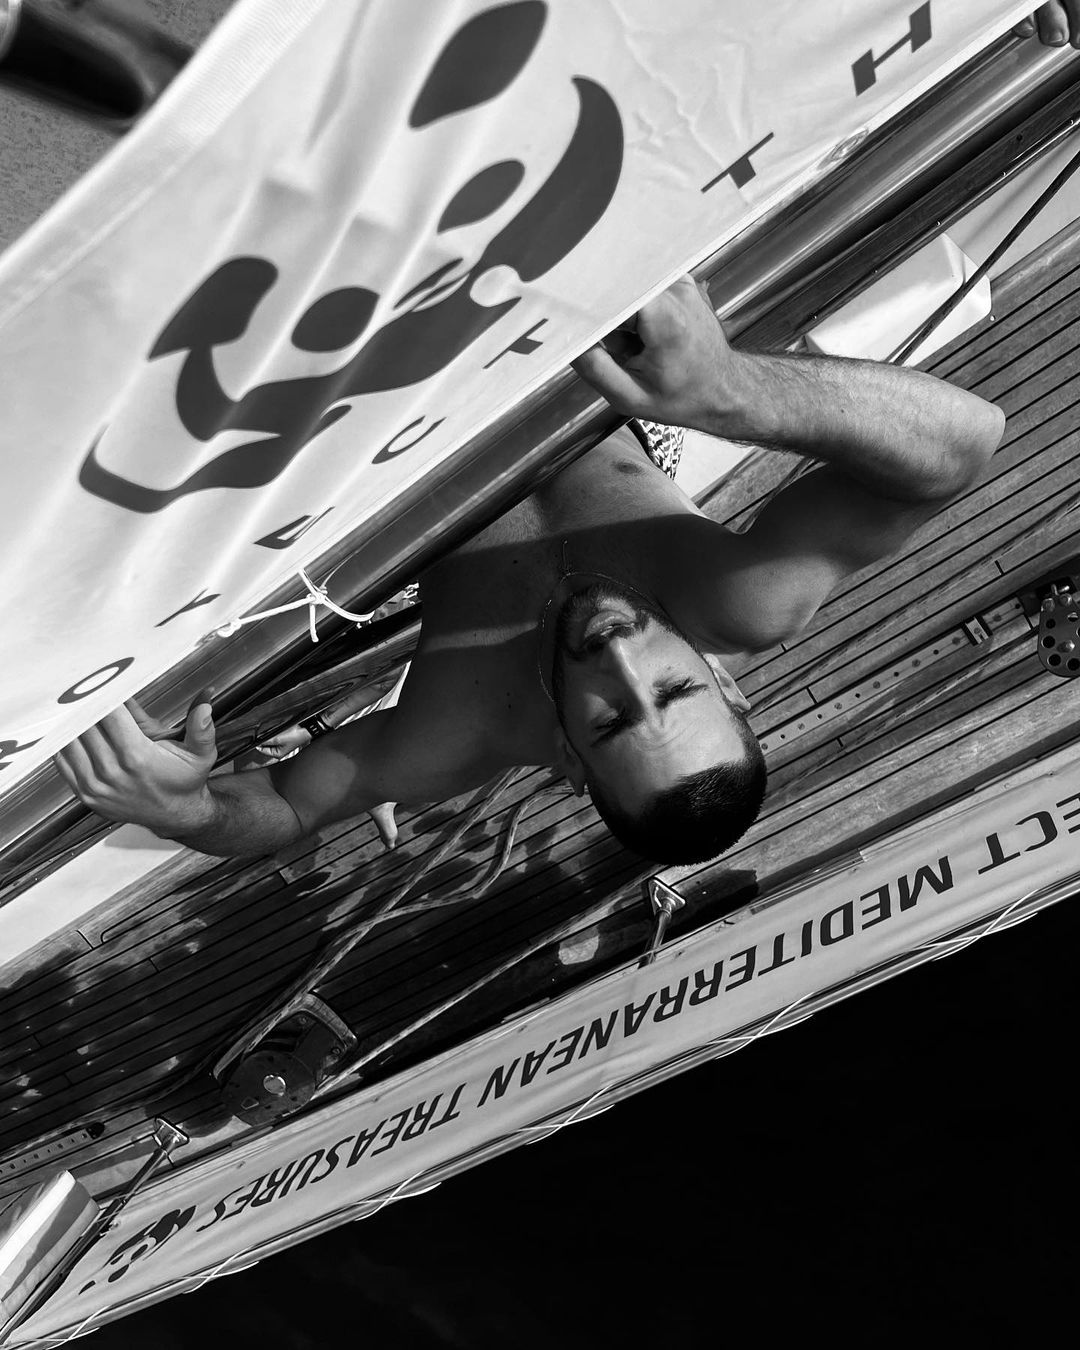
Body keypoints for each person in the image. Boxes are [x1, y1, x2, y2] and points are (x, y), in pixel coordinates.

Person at [55, 277, 1005, 864]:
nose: (619, 659)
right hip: (587, 393)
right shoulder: (743, 602)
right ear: (727, 685)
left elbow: (288, 809)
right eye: (674, 688)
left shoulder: (463, 731)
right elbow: (964, 445)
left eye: (610, 719)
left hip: (391, 438)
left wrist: (183, 810)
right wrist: (730, 391)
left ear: (567, 757)